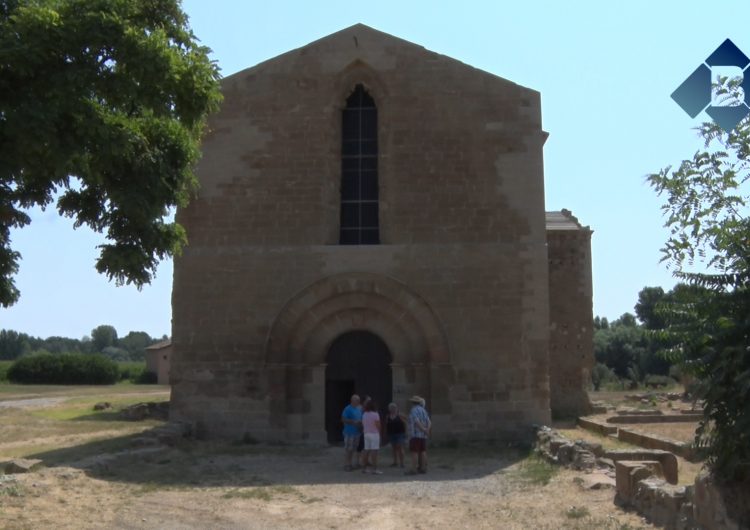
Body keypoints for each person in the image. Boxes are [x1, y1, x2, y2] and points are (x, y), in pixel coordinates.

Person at [405, 395, 431, 475]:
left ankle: (414, 469)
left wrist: (423, 429)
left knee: (414, 452)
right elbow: (429, 422)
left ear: (413, 403)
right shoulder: (423, 410)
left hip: (415, 434)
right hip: (423, 435)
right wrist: (427, 430)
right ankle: (423, 468)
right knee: (423, 451)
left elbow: (416, 422)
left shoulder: (413, 410)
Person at [341, 394, 362, 471]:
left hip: (357, 432)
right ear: (352, 400)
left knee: (353, 449)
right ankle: (347, 464)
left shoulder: (359, 409)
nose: (359, 402)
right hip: (349, 432)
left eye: (359, 400)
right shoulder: (347, 409)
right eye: (357, 400)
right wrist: (353, 421)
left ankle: (350, 463)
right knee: (348, 449)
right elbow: (343, 419)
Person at [361, 399, 382, 474]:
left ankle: (364, 468)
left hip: (366, 433)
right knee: (374, 452)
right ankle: (374, 469)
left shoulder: (364, 414)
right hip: (374, 434)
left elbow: (363, 424)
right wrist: (380, 433)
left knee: (366, 450)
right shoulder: (375, 414)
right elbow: (378, 425)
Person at [385, 402, 407, 468]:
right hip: (391, 434)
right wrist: (386, 433)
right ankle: (395, 462)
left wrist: (406, 432)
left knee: (400, 448)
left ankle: (402, 463)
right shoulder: (388, 416)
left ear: (396, 408)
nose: (392, 409)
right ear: (389, 409)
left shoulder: (400, 415)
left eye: (394, 408)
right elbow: (386, 425)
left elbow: (406, 423)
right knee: (394, 448)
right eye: (391, 408)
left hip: (400, 434)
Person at [357, 395, 371, 468]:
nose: (369, 402)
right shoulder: (360, 408)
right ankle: (359, 462)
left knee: (367, 446)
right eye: (368, 400)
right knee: (360, 446)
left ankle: (366, 460)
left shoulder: (370, 409)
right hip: (361, 429)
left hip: (368, 430)